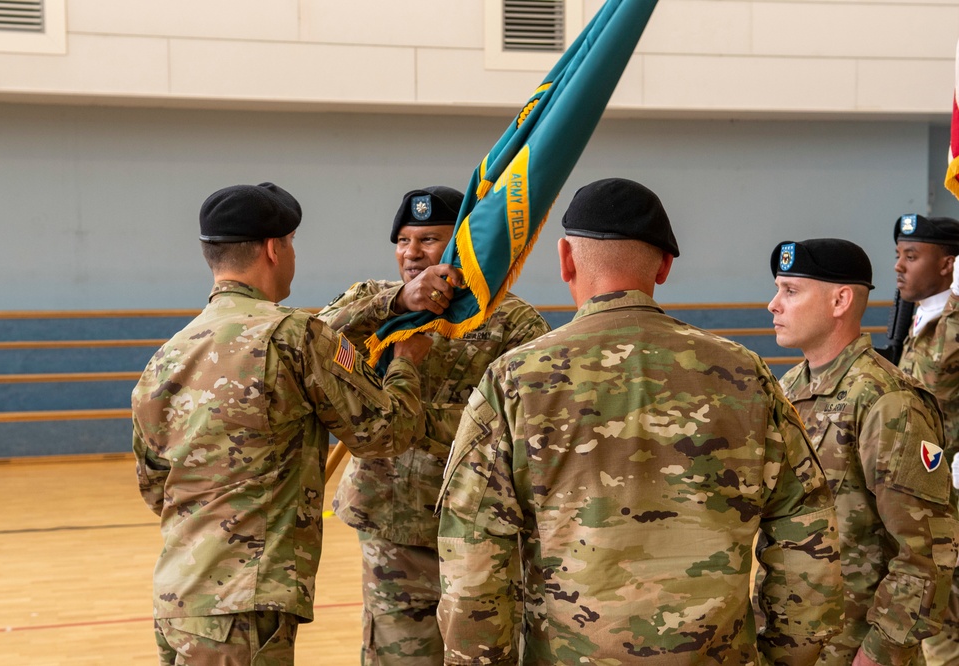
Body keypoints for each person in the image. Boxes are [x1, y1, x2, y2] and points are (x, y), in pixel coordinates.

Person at [436, 177, 844, 665]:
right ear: (665, 265)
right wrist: (786, 657)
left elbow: (472, 552)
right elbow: (807, 534)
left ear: (565, 259)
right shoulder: (745, 375)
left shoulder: (515, 381)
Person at [131, 182, 432, 665]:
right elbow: (387, 433)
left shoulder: (168, 355)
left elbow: (155, 488)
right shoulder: (293, 335)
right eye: (291, 244)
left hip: (178, 599)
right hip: (246, 601)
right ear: (274, 249)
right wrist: (405, 363)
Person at [317, 185, 551, 664]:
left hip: (476, 533)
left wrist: (403, 420)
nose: (411, 253)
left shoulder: (513, 324)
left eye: (428, 240)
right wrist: (396, 303)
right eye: (403, 241)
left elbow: (521, 426)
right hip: (390, 529)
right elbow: (311, 347)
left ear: (462, 247)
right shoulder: (373, 302)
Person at [768, 237, 959, 665]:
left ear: (840, 301)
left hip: (854, 650)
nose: (773, 305)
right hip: (790, 644)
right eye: (778, 289)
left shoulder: (889, 402)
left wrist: (880, 653)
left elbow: (926, 552)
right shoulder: (789, 388)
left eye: (791, 291)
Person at [892, 214, 959, 665]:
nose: (899, 266)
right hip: (926, 490)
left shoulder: (952, 320)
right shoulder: (919, 317)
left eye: (912, 256)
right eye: (898, 255)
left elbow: (941, 387)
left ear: (949, 263)